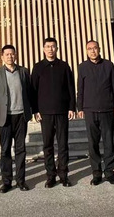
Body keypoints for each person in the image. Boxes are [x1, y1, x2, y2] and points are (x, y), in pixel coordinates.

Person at [31, 37, 76, 188]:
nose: (50, 49)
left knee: (63, 145)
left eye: (53, 46)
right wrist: (35, 110)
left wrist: (71, 107)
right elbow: (33, 91)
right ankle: (51, 176)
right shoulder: (38, 67)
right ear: (43, 49)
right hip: (45, 113)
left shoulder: (64, 66)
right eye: (48, 46)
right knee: (48, 145)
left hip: (62, 111)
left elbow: (70, 87)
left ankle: (63, 175)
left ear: (57, 48)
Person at [77, 40, 114, 185]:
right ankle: (96, 173)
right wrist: (80, 107)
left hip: (107, 109)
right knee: (93, 143)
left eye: (95, 48)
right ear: (86, 51)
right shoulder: (82, 67)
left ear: (99, 49)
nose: (92, 51)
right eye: (89, 48)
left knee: (108, 142)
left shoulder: (108, 65)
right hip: (90, 110)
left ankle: (109, 173)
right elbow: (80, 89)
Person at [0, 44, 34, 193]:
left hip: (21, 116)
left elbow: (29, 92)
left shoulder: (24, 72)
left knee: (21, 149)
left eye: (12, 54)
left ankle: (21, 181)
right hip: (5, 118)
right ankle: (7, 182)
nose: (10, 56)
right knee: (5, 150)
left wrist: (32, 111)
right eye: (7, 54)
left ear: (15, 55)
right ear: (2, 56)